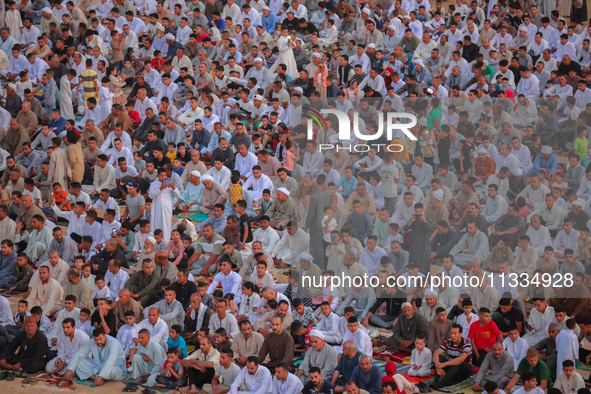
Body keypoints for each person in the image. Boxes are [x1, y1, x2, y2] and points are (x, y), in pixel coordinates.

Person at [61, 327, 127, 386]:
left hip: (114, 367)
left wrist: (101, 375)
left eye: (100, 339)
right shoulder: (91, 342)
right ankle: (95, 378)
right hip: (97, 366)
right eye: (96, 339)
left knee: (113, 371)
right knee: (79, 363)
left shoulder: (114, 343)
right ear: (93, 338)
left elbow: (111, 361)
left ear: (104, 336)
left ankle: (103, 378)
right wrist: (69, 370)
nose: (98, 341)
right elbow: (79, 354)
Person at [431, 324, 473, 389]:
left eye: (455, 333)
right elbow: (436, 353)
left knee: (457, 362)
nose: (452, 335)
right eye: (451, 333)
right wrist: (438, 366)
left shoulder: (466, 344)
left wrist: (443, 364)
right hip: (452, 367)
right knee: (440, 357)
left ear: (460, 334)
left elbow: (461, 359)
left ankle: (442, 382)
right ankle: (436, 380)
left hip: (465, 370)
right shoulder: (448, 342)